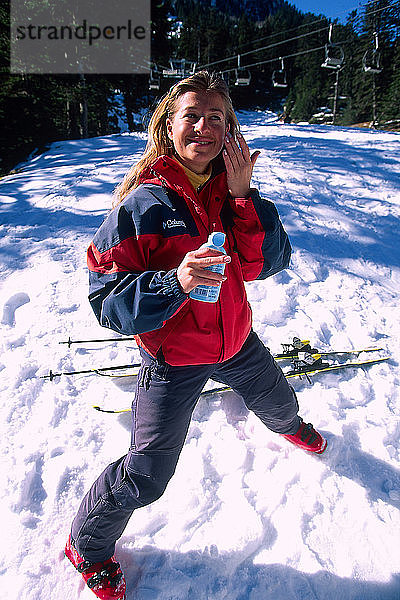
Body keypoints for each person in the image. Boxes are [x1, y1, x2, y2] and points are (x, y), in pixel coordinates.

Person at [65, 70, 327, 600]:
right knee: (149, 470)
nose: (204, 127)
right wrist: (174, 281)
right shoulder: (141, 205)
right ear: (169, 125)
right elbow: (107, 301)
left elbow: (263, 265)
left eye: (216, 118)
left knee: (279, 403)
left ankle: (289, 425)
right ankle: (87, 546)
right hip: (175, 359)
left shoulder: (234, 194)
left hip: (236, 342)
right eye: (192, 116)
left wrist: (245, 198)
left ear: (229, 130)